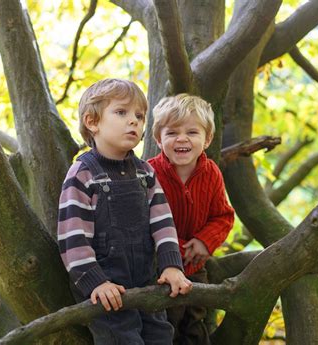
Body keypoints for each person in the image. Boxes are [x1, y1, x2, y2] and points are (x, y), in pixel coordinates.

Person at [57, 79, 192, 345]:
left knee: (161, 336)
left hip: (146, 281)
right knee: (122, 340)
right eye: (121, 113)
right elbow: (72, 238)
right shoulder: (83, 175)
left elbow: (163, 223)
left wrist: (171, 265)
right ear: (92, 122)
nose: (134, 122)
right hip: (107, 291)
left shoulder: (145, 173)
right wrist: (96, 283)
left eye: (139, 116)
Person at [148, 94, 235, 345]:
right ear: (158, 139)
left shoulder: (212, 174)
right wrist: (174, 246)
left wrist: (204, 241)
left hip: (195, 266)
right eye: (172, 132)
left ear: (207, 139)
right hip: (158, 267)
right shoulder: (149, 174)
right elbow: (142, 222)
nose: (182, 138)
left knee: (195, 325)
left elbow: (223, 216)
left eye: (192, 132)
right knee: (166, 324)